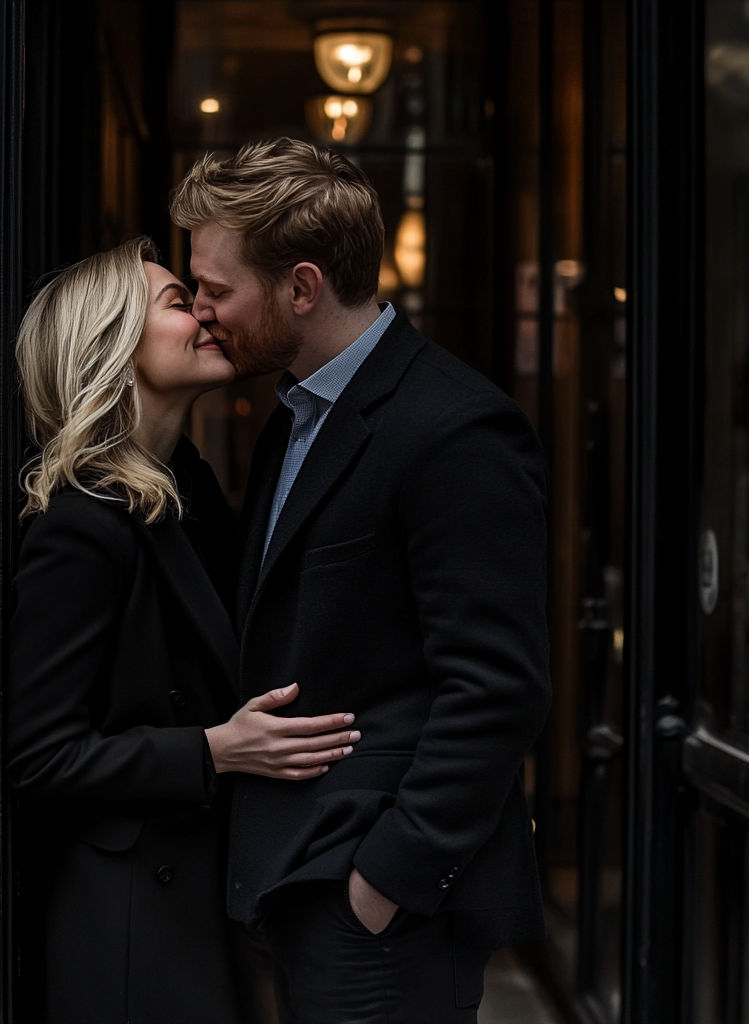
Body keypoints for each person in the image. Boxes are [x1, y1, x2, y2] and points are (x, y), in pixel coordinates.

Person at [170, 139, 553, 1024]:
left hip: (380, 912)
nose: (199, 310)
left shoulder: (457, 429)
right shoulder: (291, 418)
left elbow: (499, 688)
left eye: (217, 289)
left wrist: (384, 879)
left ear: (302, 287)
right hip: (293, 882)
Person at [6, 236, 361, 1024]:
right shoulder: (80, 525)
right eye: (177, 301)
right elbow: (42, 755)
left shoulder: (185, 492)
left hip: (207, 904)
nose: (205, 312)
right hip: (132, 930)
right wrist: (214, 748)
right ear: (111, 346)